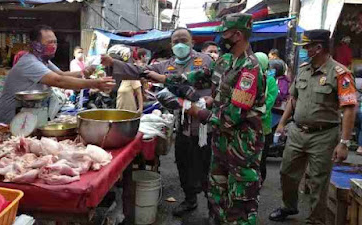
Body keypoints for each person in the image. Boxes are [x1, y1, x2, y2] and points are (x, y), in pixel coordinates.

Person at [151, 13, 265, 224]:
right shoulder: (226, 60)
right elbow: (200, 76)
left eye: (225, 34)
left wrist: (195, 110)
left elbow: (231, 117)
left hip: (240, 145)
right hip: (221, 142)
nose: (222, 39)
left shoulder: (249, 69)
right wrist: (164, 78)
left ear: (237, 35)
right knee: (217, 192)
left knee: (239, 200)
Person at [101, 27, 213, 217]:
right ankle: (190, 200)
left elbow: (215, 85)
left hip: (204, 126)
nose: (180, 44)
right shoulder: (165, 65)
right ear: (170, 44)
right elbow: (140, 71)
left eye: (184, 40)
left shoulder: (205, 60)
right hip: (182, 125)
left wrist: (209, 100)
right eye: (175, 41)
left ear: (192, 42)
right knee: (183, 163)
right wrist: (114, 63)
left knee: (206, 167)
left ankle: (213, 207)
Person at [269, 29, 357, 224]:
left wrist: (343, 142)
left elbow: (350, 108)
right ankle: (289, 206)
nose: (304, 50)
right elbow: (293, 99)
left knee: (318, 181)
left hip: (324, 135)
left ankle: (316, 219)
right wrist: (282, 124)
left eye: (307, 47)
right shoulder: (304, 69)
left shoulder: (340, 73)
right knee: (286, 172)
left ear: (318, 48)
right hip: (297, 131)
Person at [0, 25, 115, 124]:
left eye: (55, 42)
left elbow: (62, 74)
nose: (54, 46)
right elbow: (59, 81)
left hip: (26, 117)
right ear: (34, 44)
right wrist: (95, 83)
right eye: (49, 42)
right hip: (9, 121)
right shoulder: (29, 62)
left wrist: (84, 71)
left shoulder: (43, 61)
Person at [255, 52, 278, 184]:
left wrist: (255, 112)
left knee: (261, 157)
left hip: (263, 127)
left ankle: (260, 180)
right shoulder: (249, 77)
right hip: (249, 125)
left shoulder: (270, 81)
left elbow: (269, 102)